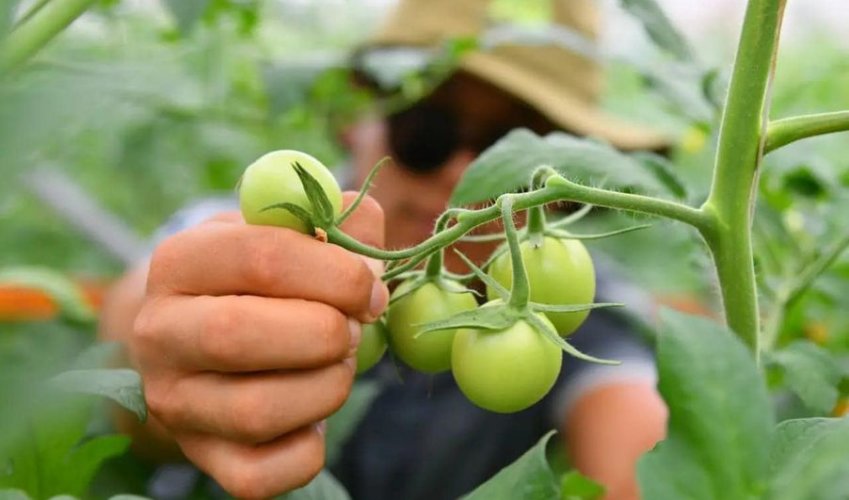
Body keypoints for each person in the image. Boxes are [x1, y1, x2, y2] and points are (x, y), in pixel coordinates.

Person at [98, 0, 669, 498]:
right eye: (428, 132)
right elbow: (137, 330)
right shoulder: (260, 230)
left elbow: (640, 443)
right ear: (358, 121)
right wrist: (160, 370)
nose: (463, 175)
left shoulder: (579, 302)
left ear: (563, 189)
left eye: (508, 158)